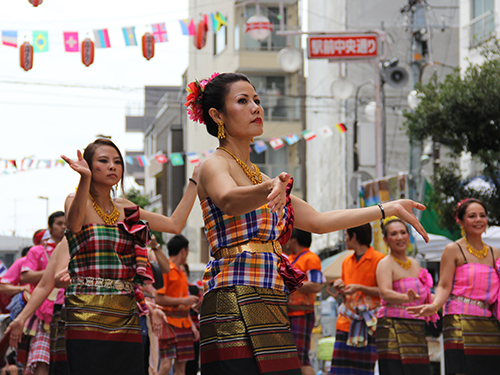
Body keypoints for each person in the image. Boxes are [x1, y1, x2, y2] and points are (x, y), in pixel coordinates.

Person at [185, 72, 428, 375]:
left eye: (257, 100)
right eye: (243, 101)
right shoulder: (214, 164)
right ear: (216, 114)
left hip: (270, 296)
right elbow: (230, 199)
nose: (256, 107)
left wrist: (385, 208)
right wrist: (270, 187)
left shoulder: (262, 178)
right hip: (231, 296)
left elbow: (320, 221)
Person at [59, 138, 199, 375]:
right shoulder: (75, 200)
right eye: (103, 161)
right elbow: (73, 225)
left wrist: (195, 182)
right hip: (85, 310)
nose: (113, 166)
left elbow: (175, 225)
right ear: (90, 167)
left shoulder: (126, 208)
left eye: (117, 162)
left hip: (125, 311)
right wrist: (84, 179)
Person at [408, 198, 500, 374]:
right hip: (459, 320)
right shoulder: (453, 250)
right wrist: (434, 306)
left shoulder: (495, 252)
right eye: (472, 216)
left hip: (489, 323)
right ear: (461, 221)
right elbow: (444, 286)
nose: (479, 219)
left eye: (482, 215)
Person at [376, 218, 438, 375]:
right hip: (392, 326)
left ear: (409, 236)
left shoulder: (415, 263)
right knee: (394, 370)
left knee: (419, 370)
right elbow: (385, 292)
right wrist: (406, 298)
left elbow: (423, 294)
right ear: (385, 239)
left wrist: (438, 299)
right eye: (394, 234)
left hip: (415, 327)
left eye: (403, 232)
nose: (399, 237)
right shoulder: (385, 263)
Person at [329, 223, 384, 375]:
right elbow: (347, 291)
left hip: (368, 325)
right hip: (345, 323)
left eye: (346, 235)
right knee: (339, 372)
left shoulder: (379, 260)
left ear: (354, 236)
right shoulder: (347, 261)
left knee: (364, 372)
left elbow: (385, 292)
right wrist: (341, 289)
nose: (345, 239)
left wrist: (359, 288)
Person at [20, 212, 66, 375]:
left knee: (66, 359)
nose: (63, 227)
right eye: (59, 223)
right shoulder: (37, 251)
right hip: (42, 312)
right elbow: (25, 276)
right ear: (50, 227)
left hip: (70, 309)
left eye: (65, 223)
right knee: (41, 358)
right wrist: (50, 272)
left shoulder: (75, 247)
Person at [156, 235, 199, 375]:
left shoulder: (182, 272)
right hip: (169, 321)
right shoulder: (166, 268)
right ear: (183, 251)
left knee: (182, 368)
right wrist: (182, 301)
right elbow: (158, 298)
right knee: (166, 365)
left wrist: (192, 326)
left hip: (184, 323)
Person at [285, 229, 324, 375]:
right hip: (290, 313)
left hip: (303, 313)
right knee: (295, 358)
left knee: (300, 359)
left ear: (294, 240)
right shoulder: (289, 258)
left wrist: (294, 283)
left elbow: (316, 285)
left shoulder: (311, 258)